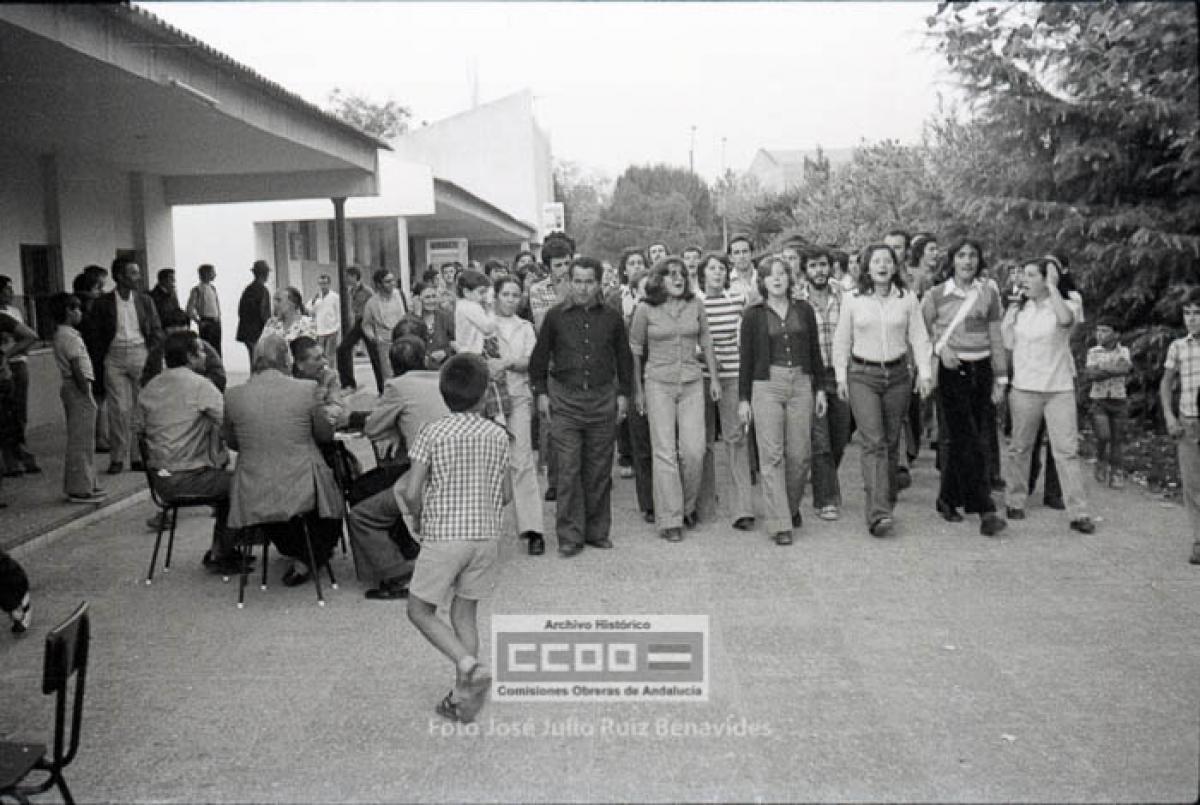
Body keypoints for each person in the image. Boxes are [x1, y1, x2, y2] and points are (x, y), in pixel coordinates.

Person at [401, 353, 511, 724]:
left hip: (445, 534)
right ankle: (462, 700)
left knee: (419, 609)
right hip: (485, 537)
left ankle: (468, 664)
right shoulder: (498, 435)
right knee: (465, 612)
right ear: (484, 396)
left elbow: (413, 491)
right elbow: (508, 493)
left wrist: (416, 519)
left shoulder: (431, 432)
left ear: (443, 394)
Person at [529, 256, 632, 557]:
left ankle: (597, 531)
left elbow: (624, 359)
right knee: (569, 468)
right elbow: (539, 359)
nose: (583, 288)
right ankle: (570, 536)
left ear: (599, 284)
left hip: (602, 399)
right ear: (569, 282)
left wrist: (624, 394)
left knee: (599, 469)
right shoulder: (555, 316)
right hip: (565, 401)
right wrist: (541, 393)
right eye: (578, 281)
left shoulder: (612, 317)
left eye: (589, 282)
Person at [223, 335, 344, 586]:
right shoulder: (305, 390)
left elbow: (233, 442)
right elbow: (323, 434)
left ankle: (300, 553)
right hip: (301, 486)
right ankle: (311, 554)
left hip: (254, 490)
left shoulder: (233, 395)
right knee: (333, 480)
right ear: (287, 359)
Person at [832, 243, 933, 537]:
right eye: (876, 261)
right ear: (866, 267)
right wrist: (840, 377)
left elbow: (919, 337)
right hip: (863, 375)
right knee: (872, 440)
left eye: (887, 261)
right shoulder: (853, 300)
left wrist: (925, 374)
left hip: (898, 376)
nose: (882, 266)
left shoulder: (907, 299)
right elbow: (842, 340)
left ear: (895, 266)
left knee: (890, 441)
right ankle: (877, 512)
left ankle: (885, 499)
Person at [139, 331, 249, 575]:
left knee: (226, 482)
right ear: (189, 356)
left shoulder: (151, 386)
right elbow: (230, 421)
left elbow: (139, 427)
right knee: (242, 482)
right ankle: (224, 552)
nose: (205, 357)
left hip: (161, 477)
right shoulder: (200, 385)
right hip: (187, 476)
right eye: (200, 351)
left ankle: (222, 548)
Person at [346, 337, 445, 601]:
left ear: (390, 365)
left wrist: (391, 429)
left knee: (361, 514)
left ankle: (395, 573)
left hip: (426, 477)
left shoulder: (397, 386)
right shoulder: (442, 380)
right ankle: (406, 552)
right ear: (424, 358)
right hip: (455, 470)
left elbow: (372, 427)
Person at [920, 239, 1008, 537]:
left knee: (968, 438)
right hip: (952, 371)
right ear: (952, 260)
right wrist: (937, 349)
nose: (967, 261)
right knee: (969, 439)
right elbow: (918, 331)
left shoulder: (989, 294)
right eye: (961, 255)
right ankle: (985, 509)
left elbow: (996, 336)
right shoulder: (936, 294)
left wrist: (1001, 377)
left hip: (981, 370)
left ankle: (946, 498)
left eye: (973, 256)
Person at [1001, 257, 1094, 534]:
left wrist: (1053, 288)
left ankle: (1078, 512)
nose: (1024, 280)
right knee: (1020, 447)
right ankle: (1014, 500)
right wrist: (1011, 311)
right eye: (1023, 275)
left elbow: (1066, 321)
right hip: (1025, 387)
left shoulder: (1067, 303)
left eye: (1031, 275)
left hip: (1058, 388)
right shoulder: (1021, 309)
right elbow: (1007, 343)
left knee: (1066, 451)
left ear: (1046, 278)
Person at [630, 257, 720, 542]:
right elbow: (635, 348)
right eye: (671, 275)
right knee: (664, 451)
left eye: (681, 274)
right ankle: (670, 518)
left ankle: (688, 505)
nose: (678, 279)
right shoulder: (645, 309)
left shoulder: (696, 305)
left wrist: (715, 379)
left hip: (693, 381)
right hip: (657, 383)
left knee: (694, 451)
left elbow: (706, 341)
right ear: (659, 279)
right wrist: (638, 390)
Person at [738, 255, 826, 545]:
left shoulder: (804, 310)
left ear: (789, 278)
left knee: (800, 456)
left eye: (781, 274)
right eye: (769, 275)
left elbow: (815, 351)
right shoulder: (753, 315)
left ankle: (788, 506)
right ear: (762, 282)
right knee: (771, 454)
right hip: (766, 384)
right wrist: (743, 399)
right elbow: (746, 360)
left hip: (801, 383)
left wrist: (820, 389)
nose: (776, 279)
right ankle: (779, 523)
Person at [697, 252, 754, 531]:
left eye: (722, 269)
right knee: (703, 441)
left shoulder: (738, 300)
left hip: (733, 374)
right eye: (712, 269)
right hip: (702, 377)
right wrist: (701, 354)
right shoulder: (695, 302)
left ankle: (742, 507)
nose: (717, 273)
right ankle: (704, 505)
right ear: (702, 274)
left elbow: (748, 333)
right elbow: (688, 336)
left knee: (736, 438)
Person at [91, 259, 164, 474]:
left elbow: (157, 329)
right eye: (133, 273)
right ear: (119, 276)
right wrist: (101, 357)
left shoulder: (145, 300)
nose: (138, 277)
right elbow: (95, 335)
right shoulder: (103, 303)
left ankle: (138, 456)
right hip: (113, 357)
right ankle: (117, 457)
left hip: (139, 352)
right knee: (118, 409)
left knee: (139, 408)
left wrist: (150, 352)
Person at [492, 276, 545, 554]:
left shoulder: (525, 328)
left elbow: (532, 361)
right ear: (495, 296)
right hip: (487, 401)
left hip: (518, 398)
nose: (511, 300)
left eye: (515, 295)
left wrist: (509, 363)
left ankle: (532, 528)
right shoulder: (484, 325)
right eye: (506, 294)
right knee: (487, 464)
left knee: (522, 461)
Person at [798, 247, 851, 521]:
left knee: (841, 435)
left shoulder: (846, 294)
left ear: (831, 267)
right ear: (805, 269)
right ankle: (826, 499)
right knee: (821, 439)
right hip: (811, 376)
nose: (819, 271)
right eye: (813, 266)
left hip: (842, 373)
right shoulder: (797, 299)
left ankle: (823, 477)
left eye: (823, 265)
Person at [528, 237, 574, 502]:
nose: (564, 269)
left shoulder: (582, 284)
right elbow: (542, 325)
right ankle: (554, 479)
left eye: (567, 263)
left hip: (577, 360)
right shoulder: (538, 290)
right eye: (558, 265)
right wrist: (561, 297)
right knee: (551, 423)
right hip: (551, 361)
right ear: (548, 267)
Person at [47, 293, 105, 503]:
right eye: (76, 309)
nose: (79, 313)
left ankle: (89, 482)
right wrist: (85, 392)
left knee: (86, 438)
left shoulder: (68, 334)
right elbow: (76, 367)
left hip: (77, 386)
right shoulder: (68, 336)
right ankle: (78, 488)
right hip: (77, 387)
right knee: (80, 440)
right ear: (68, 311)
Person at [1161, 288, 1200, 565]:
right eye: (1187, 314)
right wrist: (1169, 416)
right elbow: (1166, 383)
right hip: (1189, 420)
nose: (1192, 319)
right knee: (1192, 484)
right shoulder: (1179, 346)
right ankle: (1198, 540)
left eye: (1197, 314)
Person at [1085, 316, 1132, 488]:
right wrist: (1112, 369)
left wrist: (1103, 368)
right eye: (1098, 330)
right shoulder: (1093, 352)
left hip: (1119, 399)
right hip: (1099, 399)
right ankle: (1100, 460)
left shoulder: (1124, 351)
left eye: (1105, 331)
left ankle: (1116, 473)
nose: (1100, 334)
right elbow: (1091, 374)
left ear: (1116, 334)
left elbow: (1125, 369)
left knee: (1117, 439)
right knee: (1103, 435)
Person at [0, 276, 39, 476]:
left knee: (18, 411)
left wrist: (8, 354)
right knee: (6, 415)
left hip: (16, 363)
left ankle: (20, 451)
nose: (10, 293)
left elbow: (28, 337)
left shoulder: (13, 313)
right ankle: (10, 458)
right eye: (6, 289)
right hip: (6, 366)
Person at [141, 309, 226, 392]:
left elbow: (219, 376)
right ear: (165, 332)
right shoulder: (157, 353)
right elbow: (147, 380)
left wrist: (196, 386)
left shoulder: (202, 347)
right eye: (175, 336)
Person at [336, 265, 381, 391]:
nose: (345, 279)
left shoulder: (367, 291)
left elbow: (374, 307)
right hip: (358, 323)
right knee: (342, 349)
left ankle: (382, 387)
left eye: (347, 276)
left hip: (368, 322)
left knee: (375, 356)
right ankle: (348, 383)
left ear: (354, 276)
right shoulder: (351, 291)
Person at [361, 269, 409, 386]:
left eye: (393, 280)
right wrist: (374, 338)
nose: (392, 283)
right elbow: (366, 324)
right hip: (385, 343)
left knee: (406, 373)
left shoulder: (400, 295)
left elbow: (408, 315)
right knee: (388, 376)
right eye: (388, 281)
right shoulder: (372, 303)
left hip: (404, 340)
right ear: (379, 284)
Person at [291, 336, 347, 430]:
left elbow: (338, 409)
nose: (325, 362)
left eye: (324, 356)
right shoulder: (289, 382)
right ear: (300, 364)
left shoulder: (330, 376)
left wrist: (323, 385)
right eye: (317, 359)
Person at [235, 260, 272, 365]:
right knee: (259, 360)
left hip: (246, 331)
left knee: (253, 358)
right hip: (257, 331)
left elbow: (240, 310)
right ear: (264, 274)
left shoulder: (248, 289)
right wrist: (269, 328)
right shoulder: (263, 290)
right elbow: (264, 313)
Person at [185, 264, 223, 355]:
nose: (215, 274)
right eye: (212, 272)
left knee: (217, 349)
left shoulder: (213, 288)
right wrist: (199, 322)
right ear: (206, 274)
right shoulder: (197, 290)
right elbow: (189, 309)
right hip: (207, 323)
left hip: (216, 322)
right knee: (208, 349)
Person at [309, 274, 341, 375]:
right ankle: (323, 375)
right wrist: (314, 302)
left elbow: (339, 312)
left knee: (330, 355)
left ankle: (332, 375)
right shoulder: (317, 297)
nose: (323, 286)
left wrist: (337, 328)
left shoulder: (335, 297)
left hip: (332, 330)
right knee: (320, 355)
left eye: (325, 283)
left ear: (329, 284)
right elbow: (310, 311)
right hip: (320, 331)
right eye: (321, 284)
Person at [728, 234, 758, 304]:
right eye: (737, 253)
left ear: (752, 254)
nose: (741, 256)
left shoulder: (764, 278)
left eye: (745, 251)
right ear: (730, 258)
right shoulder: (726, 282)